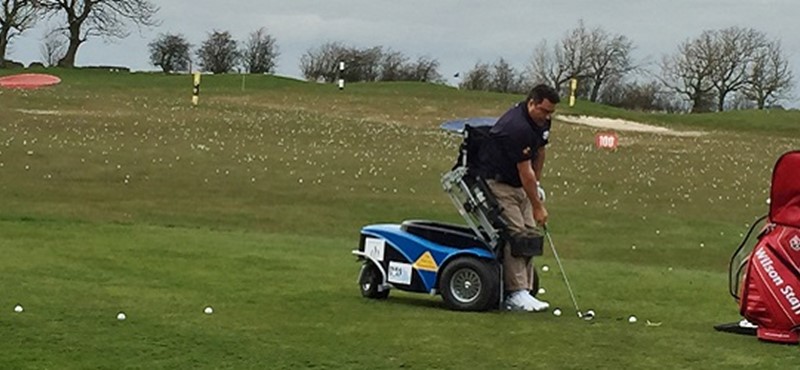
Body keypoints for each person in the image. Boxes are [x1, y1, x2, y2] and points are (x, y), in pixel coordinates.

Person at [479, 84, 560, 312]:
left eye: (551, 112)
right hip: (498, 183)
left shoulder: (541, 122)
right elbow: (524, 170)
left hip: (520, 183)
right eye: (544, 111)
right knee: (517, 234)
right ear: (532, 103)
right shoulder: (516, 127)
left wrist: (537, 185)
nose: (547, 117)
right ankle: (516, 294)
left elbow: (540, 152)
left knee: (529, 234)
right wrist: (538, 205)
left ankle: (525, 289)